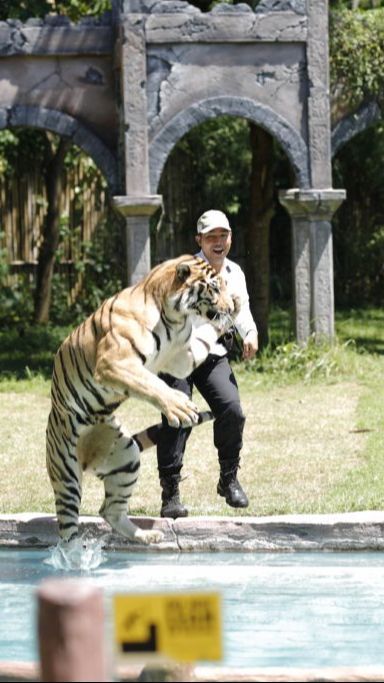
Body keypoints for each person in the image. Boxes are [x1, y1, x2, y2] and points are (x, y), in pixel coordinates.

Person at [156, 209, 258, 518]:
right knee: (176, 419)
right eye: (210, 237)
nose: (218, 242)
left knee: (232, 411)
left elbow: (241, 309)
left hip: (213, 355)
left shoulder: (234, 273)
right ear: (199, 240)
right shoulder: (183, 271)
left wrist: (250, 333)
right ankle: (170, 494)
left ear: (231, 238)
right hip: (178, 357)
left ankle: (228, 480)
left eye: (222, 236)